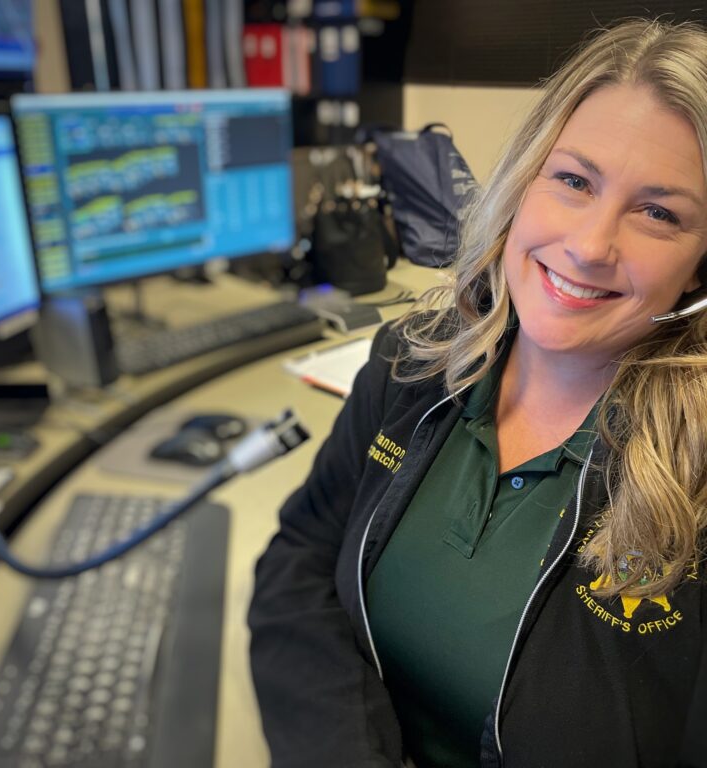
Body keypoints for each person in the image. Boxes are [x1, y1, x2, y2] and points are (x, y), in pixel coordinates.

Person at [248, 18, 707, 768]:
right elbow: (299, 559)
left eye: (659, 213)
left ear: (698, 266)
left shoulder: (695, 476)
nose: (590, 246)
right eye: (574, 180)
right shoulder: (413, 361)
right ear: (523, 180)